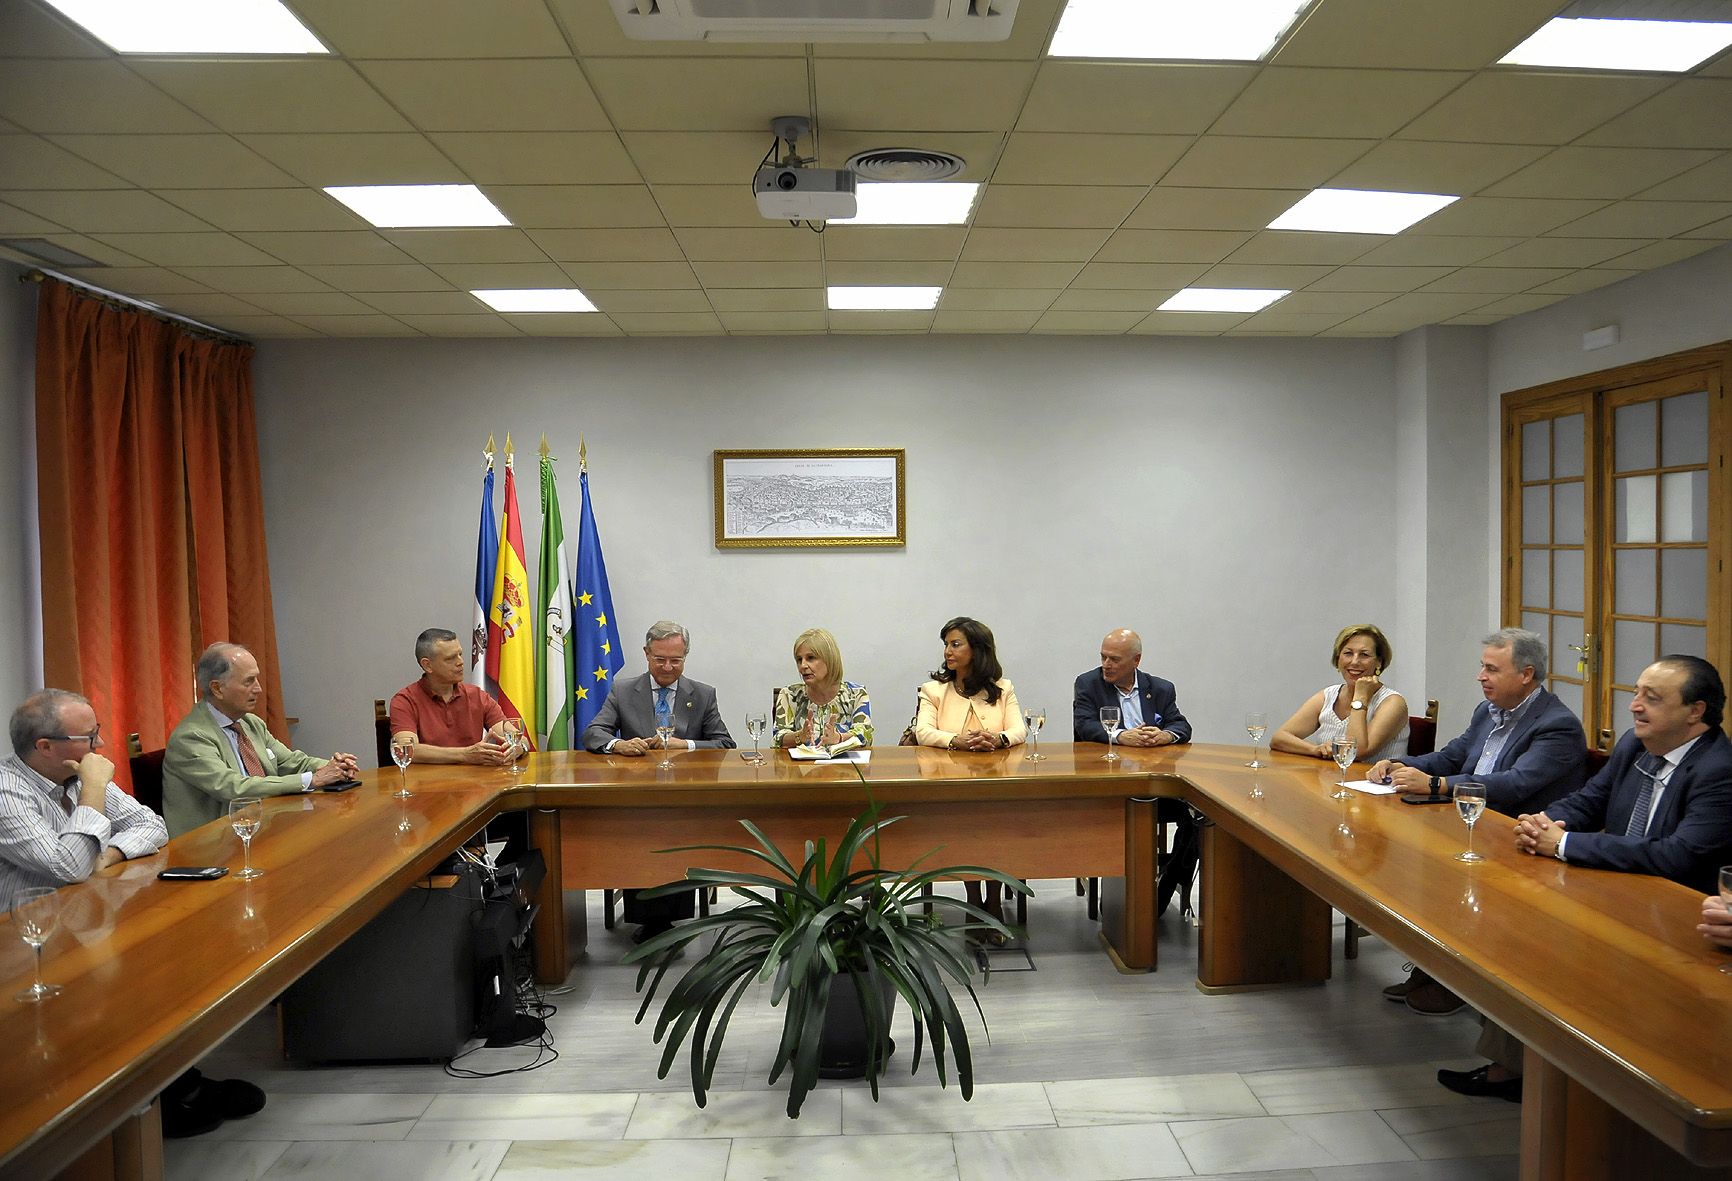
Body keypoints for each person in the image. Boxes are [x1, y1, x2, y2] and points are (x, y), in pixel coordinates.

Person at [1438, 655, 1732, 1104]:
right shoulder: (1637, 746)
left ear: (1696, 711)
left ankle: (1564, 1088)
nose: (1634, 706)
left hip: (1675, 920)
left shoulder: (1718, 769)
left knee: (1542, 952)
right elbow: (1589, 800)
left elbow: (1679, 855)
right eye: (1636, 693)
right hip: (1617, 891)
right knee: (1511, 934)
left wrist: (1563, 844)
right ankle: (1520, 1068)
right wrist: (1544, 822)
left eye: (1651, 698)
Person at [0, 690, 263, 1139]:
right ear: (45, 747)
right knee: (129, 983)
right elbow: (66, 866)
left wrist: (110, 852)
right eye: (88, 737)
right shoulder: (8, 791)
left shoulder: (76, 772)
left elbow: (151, 824)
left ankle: (174, 1084)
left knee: (165, 964)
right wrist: (97, 790)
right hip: (29, 943)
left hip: (85, 915)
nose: (100, 747)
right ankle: (140, 1107)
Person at [1366, 628, 1587, 1017]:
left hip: (1515, 836)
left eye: (1491, 669)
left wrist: (1437, 785)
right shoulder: (1488, 710)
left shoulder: (1557, 725)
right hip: (1468, 824)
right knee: (1418, 867)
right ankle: (1433, 968)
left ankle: (1459, 982)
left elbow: (1516, 785)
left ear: (1526, 674)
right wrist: (1403, 765)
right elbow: (1452, 756)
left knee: (1439, 873)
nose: (1480, 676)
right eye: (1481, 667)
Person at [582, 620, 734, 942]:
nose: (667, 667)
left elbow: (724, 743)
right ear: (646, 654)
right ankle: (649, 919)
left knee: (677, 831)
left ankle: (666, 921)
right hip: (638, 798)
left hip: (687, 799)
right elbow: (594, 733)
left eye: (675, 660)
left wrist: (687, 744)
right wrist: (618, 744)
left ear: (685, 657)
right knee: (642, 831)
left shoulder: (702, 694)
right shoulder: (623, 690)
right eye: (660, 659)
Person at [162, 643, 360, 837]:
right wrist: (312, 779)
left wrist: (334, 767)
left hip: (262, 829)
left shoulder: (249, 723)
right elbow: (234, 788)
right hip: (214, 850)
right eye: (249, 681)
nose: (258, 689)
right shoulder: (191, 737)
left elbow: (291, 762)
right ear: (217, 689)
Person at [914, 617, 1025, 933]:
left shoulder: (1004, 689)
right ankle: (974, 900)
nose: (948, 651)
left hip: (996, 783)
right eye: (946, 645)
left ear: (977, 649)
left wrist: (998, 738)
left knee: (996, 827)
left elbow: (1019, 729)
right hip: (949, 785)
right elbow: (922, 731)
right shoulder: (934, 689)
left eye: (955, 644)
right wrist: (955, 740)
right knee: (964, 826)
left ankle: (992, 903)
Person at [1271, 624, 1408, 762]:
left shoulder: (1393, 702)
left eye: (1364, 655)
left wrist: (1360, 698)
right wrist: (1315, 749)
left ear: (1379, 662)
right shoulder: (1329, 695)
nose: (1354, 662)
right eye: (1348, 653)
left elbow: (1356, 752)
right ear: (1338, 659)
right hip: (1330, 779)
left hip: (1375, 782)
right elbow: (1279, 738)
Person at [389, 628, 513, 765]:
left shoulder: (477, 696)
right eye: (450, 658)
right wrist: (465, 755)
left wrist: (517, 748)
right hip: (427, 783)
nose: (460, 662)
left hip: (474, 782)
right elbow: (407, 750)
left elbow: (515, 736)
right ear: (427, 665)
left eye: (460, 654)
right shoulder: (405, 701)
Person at [1072, 629, 1191, 748]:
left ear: (1136, 660)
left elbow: (1181, 725)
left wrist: (1166, 735)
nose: (1106, 665)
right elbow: (1085, 725)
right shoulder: (1088, 684)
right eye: (1103, 657)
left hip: (1150, 761)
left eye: (1114, 659)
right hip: (1107, 760)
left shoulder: (1161, 689)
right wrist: (1120, 736)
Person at [773, 627, 873, 748]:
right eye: (799, 660)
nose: (803, 666)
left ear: (829, 659)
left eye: (811, 658)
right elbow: (778, 738)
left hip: (845, 766)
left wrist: (839, 738)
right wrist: (800, 736)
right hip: (800, 766)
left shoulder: (856, 694)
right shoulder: (789, 695)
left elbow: (865, 735)